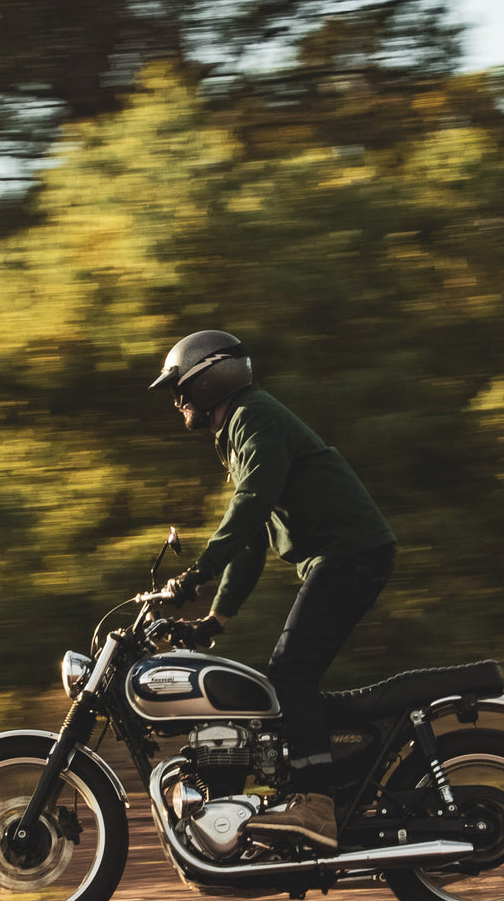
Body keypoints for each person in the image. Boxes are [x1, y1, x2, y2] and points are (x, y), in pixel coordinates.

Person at [149, 329, 395, 851]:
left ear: (210, 378)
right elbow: (253, 542)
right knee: (285, 678)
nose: (177, 400)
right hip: (343, 558)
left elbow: (249, 508)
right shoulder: (240, 427)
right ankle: (337, 771)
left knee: (290, 674)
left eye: (181, 387)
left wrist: (194, 576)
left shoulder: (252, 416)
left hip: (351, 555)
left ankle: (316, 803)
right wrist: (217, 618)